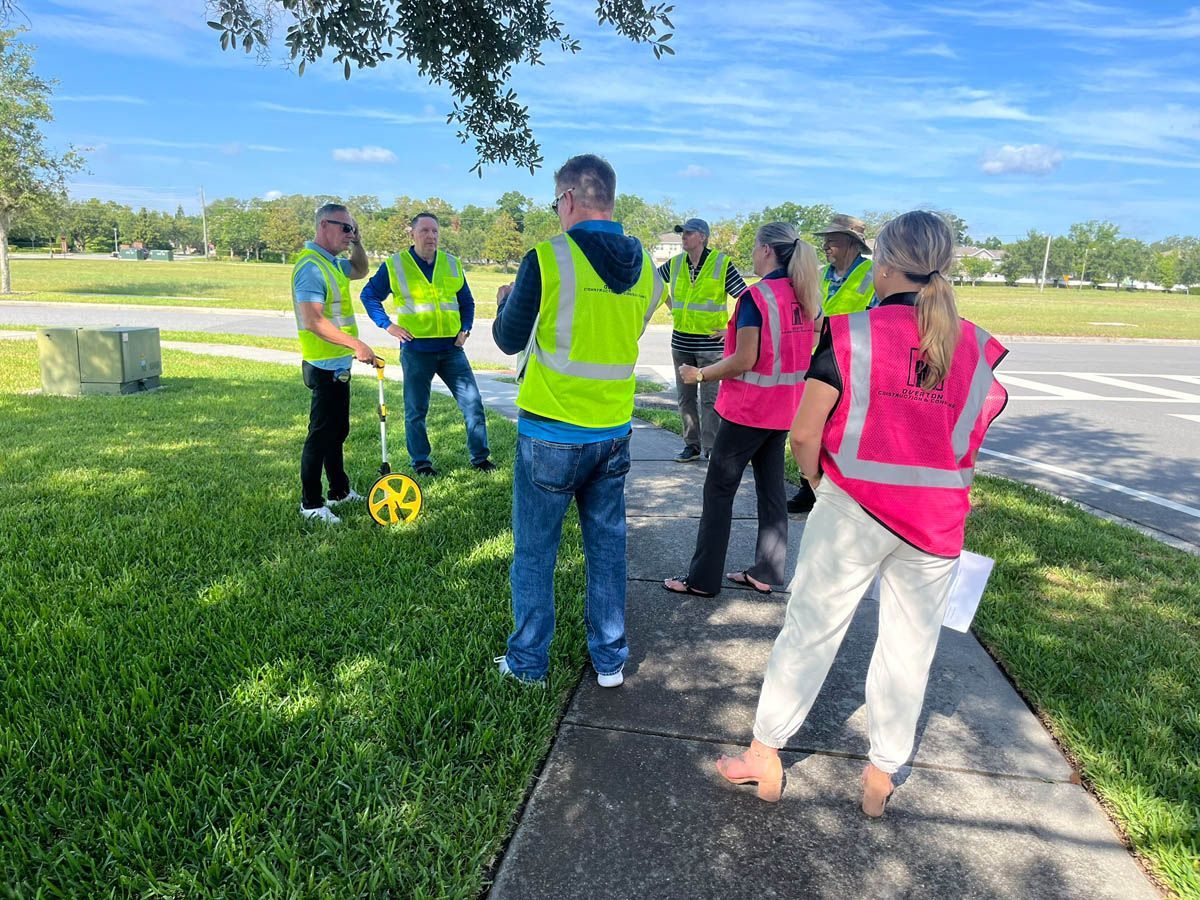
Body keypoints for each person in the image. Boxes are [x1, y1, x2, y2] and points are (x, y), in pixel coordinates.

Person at [714, 211, 1009, 816]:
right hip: (937, 522)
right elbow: (970, 435)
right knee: (910, 647)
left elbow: (804, 435)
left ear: (887, 264)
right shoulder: (975, 346)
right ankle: (881, 775)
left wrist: (824, 485)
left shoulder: (852, 334)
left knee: (811, 629)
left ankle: (765, 756)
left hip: (855, 507)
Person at [492, 154, 664, 687]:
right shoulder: (649, 275)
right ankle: (610, 659)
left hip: (550, 433)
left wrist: (504, 306)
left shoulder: (547, 259)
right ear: (609, 198)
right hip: (613, 433)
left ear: (567, 199)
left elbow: (507, 340)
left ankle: (526, 664)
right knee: (608, 550)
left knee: (535, 555)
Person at [662, 223, 821, 597]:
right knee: (771, 493)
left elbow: (745, 360)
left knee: (718, 491)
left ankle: (702, 580)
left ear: (767, 250)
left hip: (748, 410)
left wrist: (699, 373)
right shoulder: (804, 294)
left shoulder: (757, 297)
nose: (751, 254)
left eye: (754, 247)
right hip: (785, 410)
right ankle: (766, 572)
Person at [360, 212, 494, 477]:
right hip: (416, 351)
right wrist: (388, 325)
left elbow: (467, 301)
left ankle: (480, 458)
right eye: (424, 231)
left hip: (452, 350)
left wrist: (465, 328)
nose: (431, 236)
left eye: (435, 231)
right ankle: (421, 463)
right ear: (412, 233)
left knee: (473, 404)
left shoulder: (452, 263)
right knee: (416, 411)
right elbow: (369, 295)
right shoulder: (396, 265)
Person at [293, 202, 378, 524]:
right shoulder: (311, 267)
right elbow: (313, 321)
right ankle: (311, 503)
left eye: (352, 228)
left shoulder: (332, 263)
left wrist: (357, 242)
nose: (349, 233)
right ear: (323, 226)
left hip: (337, 363)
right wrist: (356, 344)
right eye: (345, 228)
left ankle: (339, 490)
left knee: (337, 431)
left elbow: (360, 270)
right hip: (324, 364)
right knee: (321, 434)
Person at [787, 213, 877, 514]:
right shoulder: (822, 275)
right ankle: (809, 489)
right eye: (826, 241)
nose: (826, 246)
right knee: (812, 427)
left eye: (833, 241)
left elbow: (877, 321)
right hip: (821, 362)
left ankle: (840, 490)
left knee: (844, 432)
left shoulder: (872, 275)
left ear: (852, 244)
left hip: (856, 364)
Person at [659, 218, 749, 462]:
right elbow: (653, 284)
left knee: (710, 399)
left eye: (688, 233)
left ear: (702, 237)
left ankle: (711, 448)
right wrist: (671, 307)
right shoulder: (676, 263)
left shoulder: (721, 263)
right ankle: (692, 445)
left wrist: (733, 331)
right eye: (682, 234)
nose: (683, 237)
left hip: (710, 344)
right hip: (681, 342)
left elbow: (746, 298)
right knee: (685, 398)